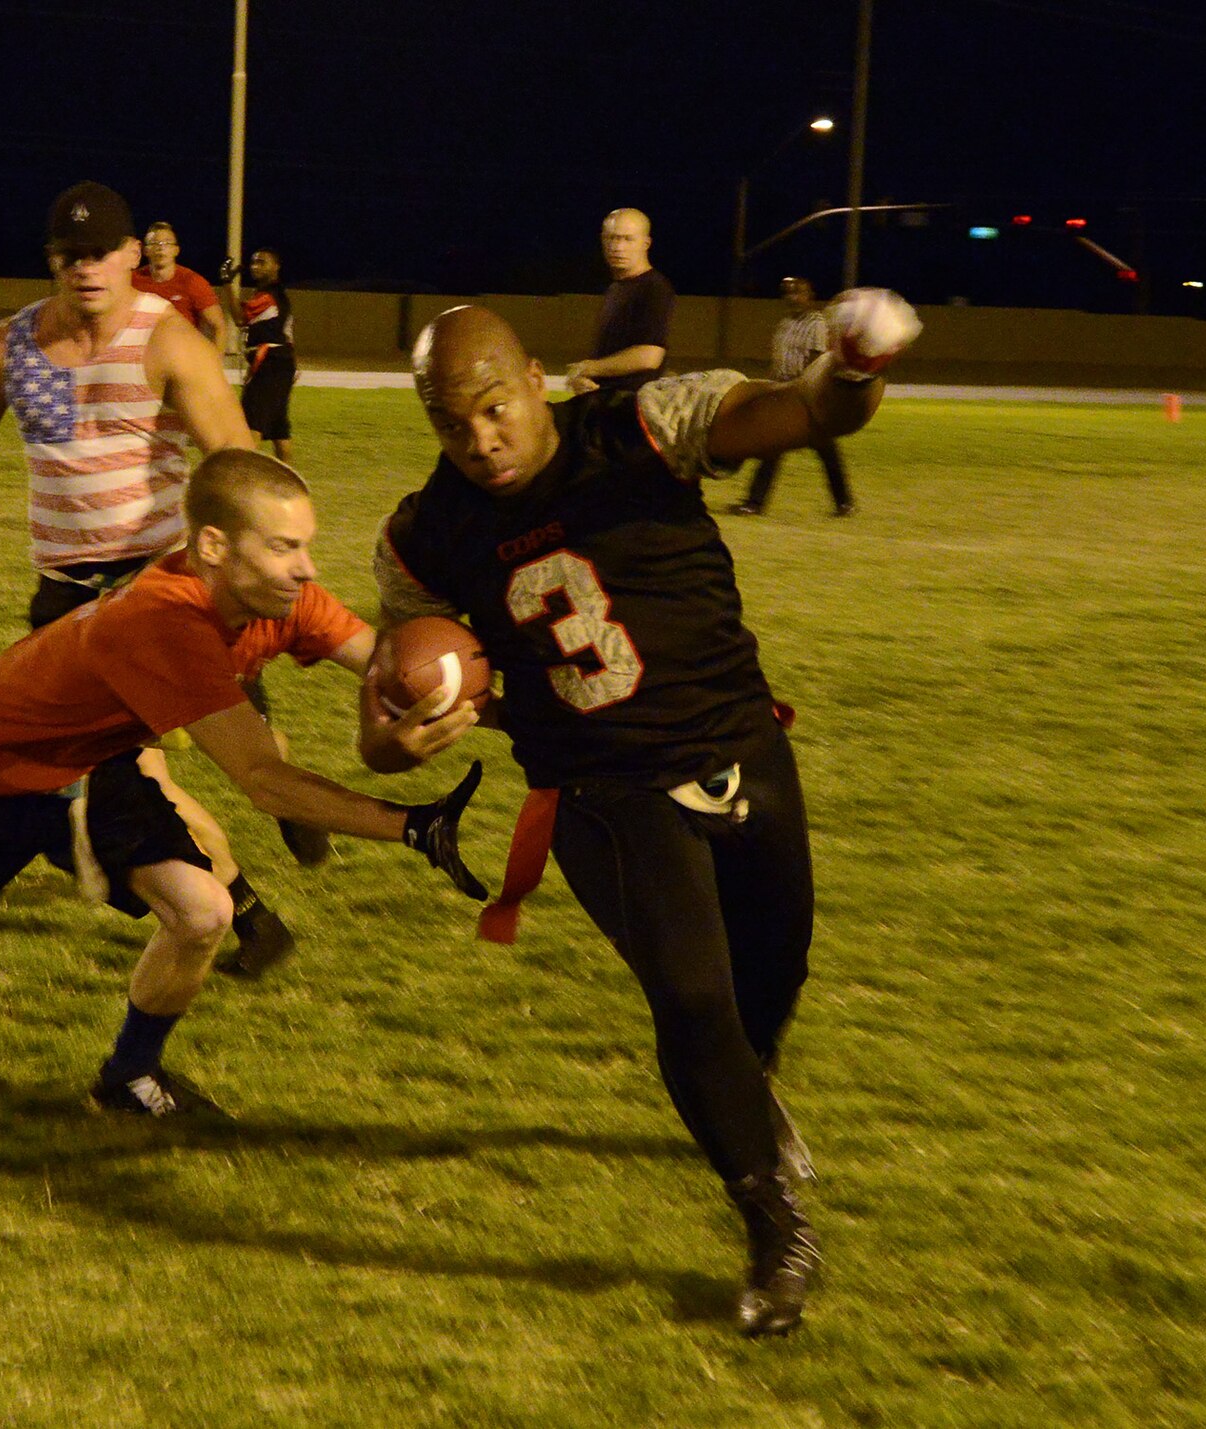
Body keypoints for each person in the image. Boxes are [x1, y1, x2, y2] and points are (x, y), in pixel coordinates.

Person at [368, 296, 918, 1336]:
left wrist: (849, 366)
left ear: (532, 377)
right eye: (451, 423)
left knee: (770, 978)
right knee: (690, 996)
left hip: (740, 745)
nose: (479, 441)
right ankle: (771, 1221)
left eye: (492, 408)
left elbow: (808, 415)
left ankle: (742, 1099)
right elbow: (379, 719)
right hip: (599, 788)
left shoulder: (640, 427)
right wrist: (397, 737)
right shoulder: (422, 537)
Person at [0, 449, 486, 1117]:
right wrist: (412, 824)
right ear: (215, 547)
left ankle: (127, 1076)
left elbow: (389, 665)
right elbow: (264, 780)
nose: (307, 567)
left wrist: (491, 698)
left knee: (202, 912)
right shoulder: (166, 622)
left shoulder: (279, 596)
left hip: (91, 766)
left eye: (307, 544)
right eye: (286, 547)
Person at [0, 180, 307, 975]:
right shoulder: (9, 345)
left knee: (203, 757)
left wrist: (262, 564)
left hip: (159, 585)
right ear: (51, 260)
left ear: (134, 255)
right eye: (69, 253)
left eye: (101, 250)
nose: (85, 265)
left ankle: (274, 822)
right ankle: (249, 913)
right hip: (66, 595)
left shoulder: (170, 342)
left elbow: (234, 460)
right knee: (131, 770)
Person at [731, 277, 856, 518]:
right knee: (786, 447)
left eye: (798, 292)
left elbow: (818, 360)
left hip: (805, 395)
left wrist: (802, 391)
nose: (792, 297)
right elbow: (779, 361)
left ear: (810, 295)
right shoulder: (785, 323)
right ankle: (843, 502)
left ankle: (755, 503)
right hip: (782, 391)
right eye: (788, 293)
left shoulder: (816, 323)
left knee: (819, 449)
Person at [566, 208, 673, 396]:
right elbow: (607, 355)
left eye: (628, 239)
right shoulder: (616, 289)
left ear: (646, 243)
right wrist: (583, 379)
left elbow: (649, 356)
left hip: (630, 407)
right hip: (605, 402)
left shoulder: (654, 288)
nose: (618, 247)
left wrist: (590, 368)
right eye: (611, 238)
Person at [234, 247, 297, 462]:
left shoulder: (268, 296)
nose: (255, 266)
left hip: (270, 363)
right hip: (281, 362)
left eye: (262, 262)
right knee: (278, 425)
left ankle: (245, 476)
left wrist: (225, 285)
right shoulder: (280, 295)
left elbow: (240, 318)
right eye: (253, 262)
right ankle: (288, 477)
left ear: (276, 266)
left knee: (252, 421)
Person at [135, 221, 227, 348]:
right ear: (145, 250)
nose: (160, 248)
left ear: (176, 250)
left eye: (167, 243)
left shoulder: (192, 281)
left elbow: (218, 326)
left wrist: (215, 363)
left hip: (181, 357)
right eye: (155, 243)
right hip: (142, 356)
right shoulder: (133, 280)